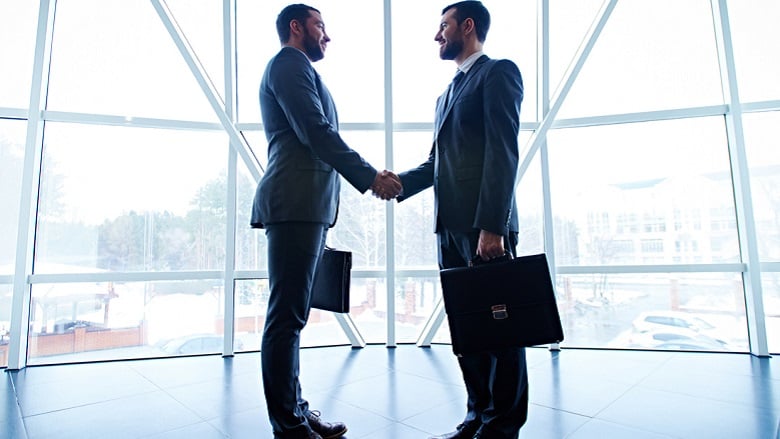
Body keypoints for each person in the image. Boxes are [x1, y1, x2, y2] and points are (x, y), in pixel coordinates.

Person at [250, 4, 401, 439]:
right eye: (321, 26)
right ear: (297, 28)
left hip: (306, 206)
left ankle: (296, 410)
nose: (327, 36)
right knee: (286, 316)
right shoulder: (287, 64)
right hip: (294, 204)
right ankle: (290, 425)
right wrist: (370, 176)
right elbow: (315, 131)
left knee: (293, 316)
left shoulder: (299, 69)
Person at [393, 2, 527, 438]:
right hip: (449, 228)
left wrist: (493, 225)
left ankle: (502, 424)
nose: (437, 36)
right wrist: (395, 184)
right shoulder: (446, 94)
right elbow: (437, 163)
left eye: (443, 26)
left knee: (501, 332)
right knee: (469, 330)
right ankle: (476, 416)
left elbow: (503, 153)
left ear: (467, 27)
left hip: (483, 228)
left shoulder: (498, 73)